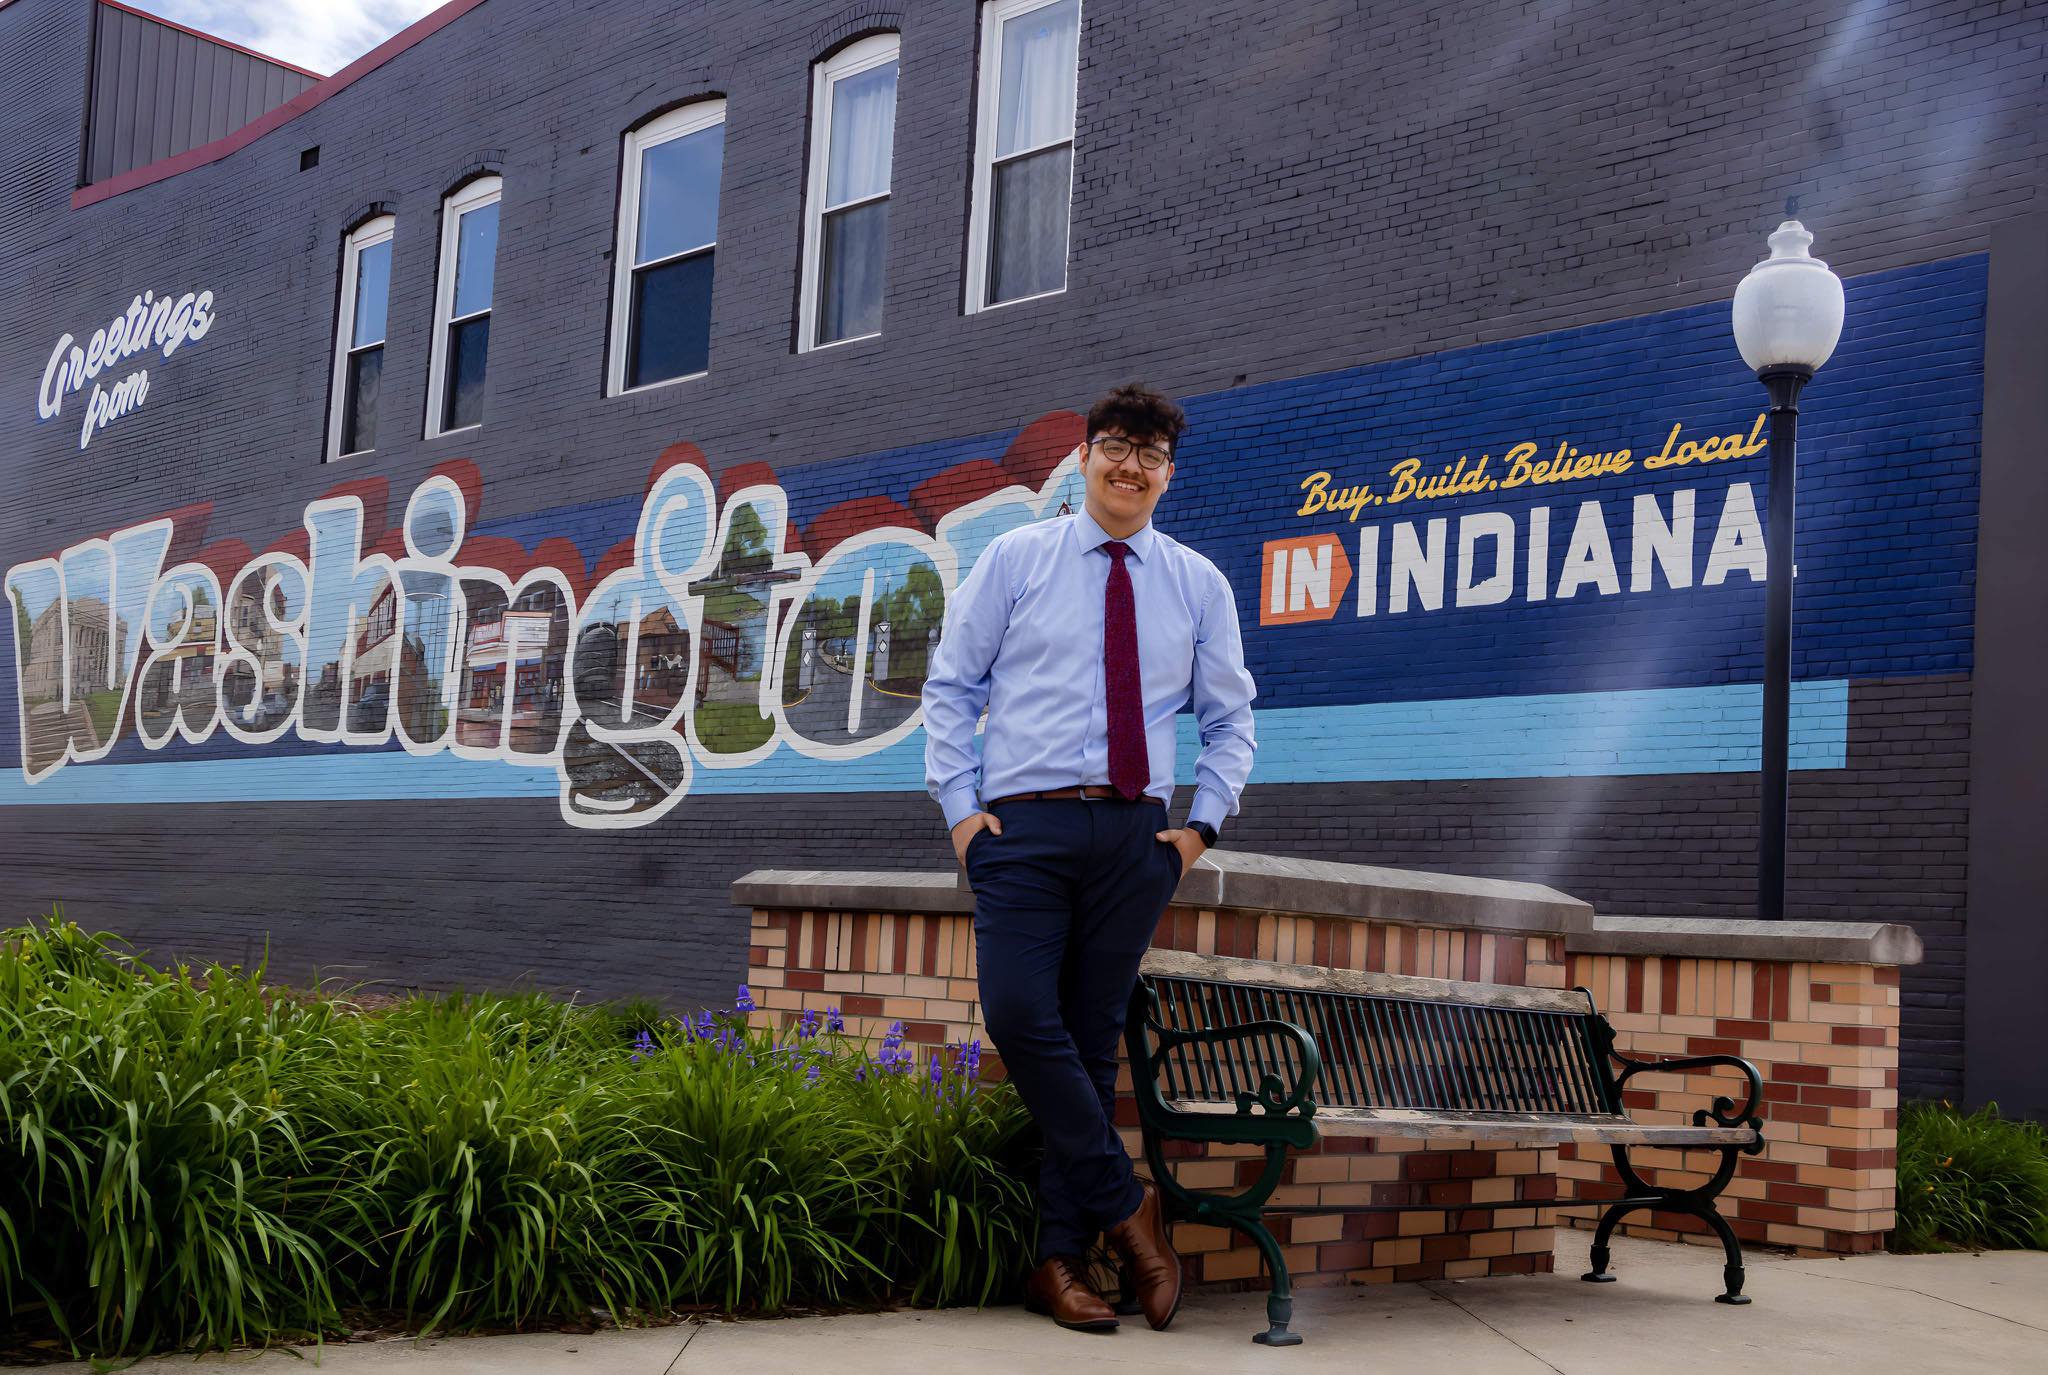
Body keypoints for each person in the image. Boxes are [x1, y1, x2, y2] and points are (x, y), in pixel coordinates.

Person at [922, 383, 1258, 1333]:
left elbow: (1232, 721)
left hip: (1133, 838)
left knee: (1088, 1038)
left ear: (1168, 474)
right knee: (1024, 1015)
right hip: (1021, 833)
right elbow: (951, 687)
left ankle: (1060, 1263)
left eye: (1150, 454)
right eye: (1116, 445)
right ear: (1084, 455)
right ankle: (1130, 1208)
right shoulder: (1017, 559)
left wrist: (1199, 830)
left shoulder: (1197, 583)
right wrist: (960, 813)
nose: (1130, 466)